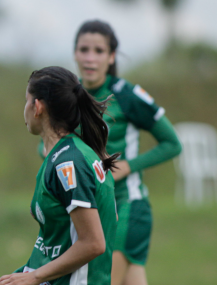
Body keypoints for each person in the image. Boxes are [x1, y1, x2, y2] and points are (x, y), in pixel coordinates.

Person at [73, 20, 182, 285]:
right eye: (83, 49)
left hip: (128, 206)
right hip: (90, 210)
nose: (90, 58)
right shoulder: (68, 94)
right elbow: (47, 142)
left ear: (111, 57)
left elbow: (172, 143)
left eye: (98, 51)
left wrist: (129, 167)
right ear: (74, 53)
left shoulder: (127, 95)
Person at [0, 66, 118, 285]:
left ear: (37, 107)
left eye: (26, 100)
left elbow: (93, 242)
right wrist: (27, 272)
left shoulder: (69, 163)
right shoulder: (70, 153)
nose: (23, 108)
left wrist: (35, 276)